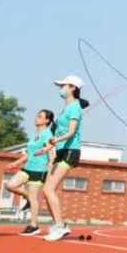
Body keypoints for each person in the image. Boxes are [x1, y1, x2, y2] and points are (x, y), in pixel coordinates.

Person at [41, 75, 90, 242]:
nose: (60, 89)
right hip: (61, 150)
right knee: (46, 190)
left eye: (64, 85)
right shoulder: (66, 108)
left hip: (70, 151)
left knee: (49, 190)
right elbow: (60, 133)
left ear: (72, 88)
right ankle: (58, 225)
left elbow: (71, 132)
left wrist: (56, 140)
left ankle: (60, 226)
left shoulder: (74, 108)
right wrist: (48, 147)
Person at [4, 110, 54, 236]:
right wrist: (16, 163)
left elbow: (51, 150)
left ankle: (34, 226)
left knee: (33, 197)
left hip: (39, 169)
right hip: (28, 167)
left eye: (40, 116)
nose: (36, 118)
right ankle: (28, 197)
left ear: (47, 121)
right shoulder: (34, 135)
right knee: (10, 185)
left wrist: (51, 164)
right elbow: (29, 153)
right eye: (37, 115)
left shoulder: (47, 134)